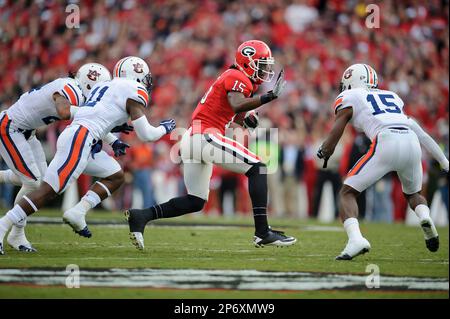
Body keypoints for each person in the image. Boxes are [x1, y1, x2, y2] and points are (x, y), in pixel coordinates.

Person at [126, 40, 297, 249]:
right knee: (258, 168)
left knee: (195, 201)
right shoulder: (236, 76)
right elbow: (236, 104)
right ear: (247, 63)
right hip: (204, 136)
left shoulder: (237, 79)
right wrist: (268, 97)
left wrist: (246, 119)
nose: (265, 70)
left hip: (193, 138)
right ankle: (262, 232)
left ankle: (141, 216)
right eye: (261, 64)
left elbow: (235, 111)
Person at [0, 57, 176, 255]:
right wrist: (165, 128)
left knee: (115, 174)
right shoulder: (132, 90)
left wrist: (113, 139)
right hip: (80, 138)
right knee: (47, 190)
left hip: (82, 137)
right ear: (136, 75)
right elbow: (147, 135)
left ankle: (78, 212)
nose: (146, 82)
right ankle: (3, 226)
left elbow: (91, 115)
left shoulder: (108, 87)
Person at [318, 63, 449, 260]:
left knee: (347, 192)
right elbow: (421, 133)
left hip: (385, 140)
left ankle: (356, 239)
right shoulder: (393, 97)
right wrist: (445, 163)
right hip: (411, 141)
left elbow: (341, 122)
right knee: (413, 194)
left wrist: (326, 148)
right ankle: (424, 217)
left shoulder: (350, 96)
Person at [0, 63, 109, 252]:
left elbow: (88, 118)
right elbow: (64, 110)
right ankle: (9, 231)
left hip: (27, 132)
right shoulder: (70, 89)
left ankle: (16, 234)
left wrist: (111, 137)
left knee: (37, 182)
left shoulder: (75, 90)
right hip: (11, 128)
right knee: (33, 182)